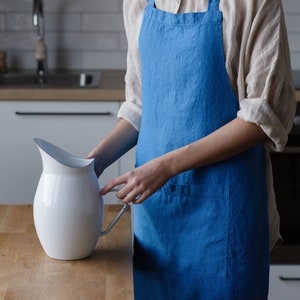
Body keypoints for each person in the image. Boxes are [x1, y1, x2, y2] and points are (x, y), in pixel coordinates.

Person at [87, 0, 296, 298]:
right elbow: (140, 106)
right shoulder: (138, 3)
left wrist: (166, 167)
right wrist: (92, 163)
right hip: (157, 223)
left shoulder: (253, 3)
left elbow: (264, 116)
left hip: (225, 221)